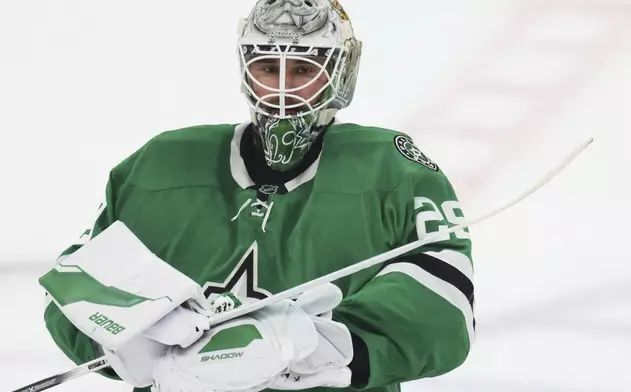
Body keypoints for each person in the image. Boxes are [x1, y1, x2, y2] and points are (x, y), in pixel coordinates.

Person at [42, 1, 475, 392]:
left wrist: (311, 345)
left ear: (341, 74)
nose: (283, 90)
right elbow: (70, 282)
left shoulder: (394, 172)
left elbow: (447, 308)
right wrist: (128, 337)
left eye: (304, 70)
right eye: (269, 67)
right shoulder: (160, 165)